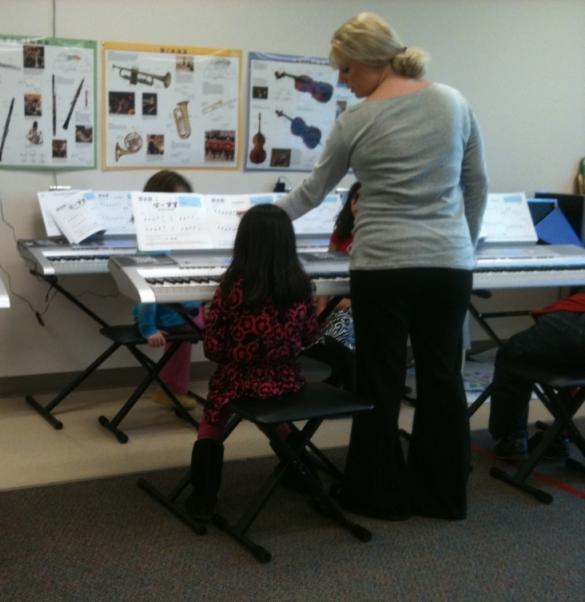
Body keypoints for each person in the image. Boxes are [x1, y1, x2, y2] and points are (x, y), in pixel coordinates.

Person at [276, 13, 488, 521]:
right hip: (448, 266)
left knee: (381, 379)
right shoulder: (454, 102)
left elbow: (312, 192)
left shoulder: (356, 120)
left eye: (346, 69)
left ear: (371, 61)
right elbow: (476, 184)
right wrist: (465, 244)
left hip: (384, 267)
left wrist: (261, 217)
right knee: (442, 378)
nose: (343, 81)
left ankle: (379, 495)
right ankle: (442, 496)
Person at [185, 204, 319, 520]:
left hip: (238, 380)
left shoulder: (232, 289)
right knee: (277, 419)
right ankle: (304, 475)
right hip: (286, 379)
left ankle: (203, 499)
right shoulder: (301, 287)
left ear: (243, 242)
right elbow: (310, 336)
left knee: (211, 424)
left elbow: (214, 348)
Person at [133, 171, 203, 411]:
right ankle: (171, 388)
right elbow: (147, 290)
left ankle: (171, 387)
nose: (181, 210)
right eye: (175, 203)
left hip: (183, 308)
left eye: (185, 203)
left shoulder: (182, 235)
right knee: (227, 325)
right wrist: (148, 328)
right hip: (168, 313)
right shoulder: (154, 241)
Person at [489, 293, 585, 461]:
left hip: (575, 321)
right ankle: (557, 437)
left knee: (512, 354)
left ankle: (513, 440)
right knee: (567, 364)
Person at [303, 182, 361, 391]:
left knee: (338, 329)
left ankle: (353, 389)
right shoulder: (340, 235)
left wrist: (349, 302)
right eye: (355, 198)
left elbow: (388, 287)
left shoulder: (383, 237)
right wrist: (322, 306)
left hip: (366, 304)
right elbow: (327, 274)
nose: (358, 204)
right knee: (295, 321)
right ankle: (339, 373)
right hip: (336, 299)